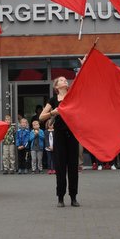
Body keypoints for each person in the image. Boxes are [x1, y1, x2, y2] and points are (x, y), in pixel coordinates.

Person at [40, 75, 80, 207]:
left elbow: (82, 82)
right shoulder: (53, 100)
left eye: (65, 80)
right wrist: (53, 113)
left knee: (73, 167)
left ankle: (73, 197)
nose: (65, 81)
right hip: (59, 135)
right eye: (62, 80)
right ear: (56, 86)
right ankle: (60, 198)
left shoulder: (73, 95)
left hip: (73, 134)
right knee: (60, 167)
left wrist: (83, 66)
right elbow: (41, 117)